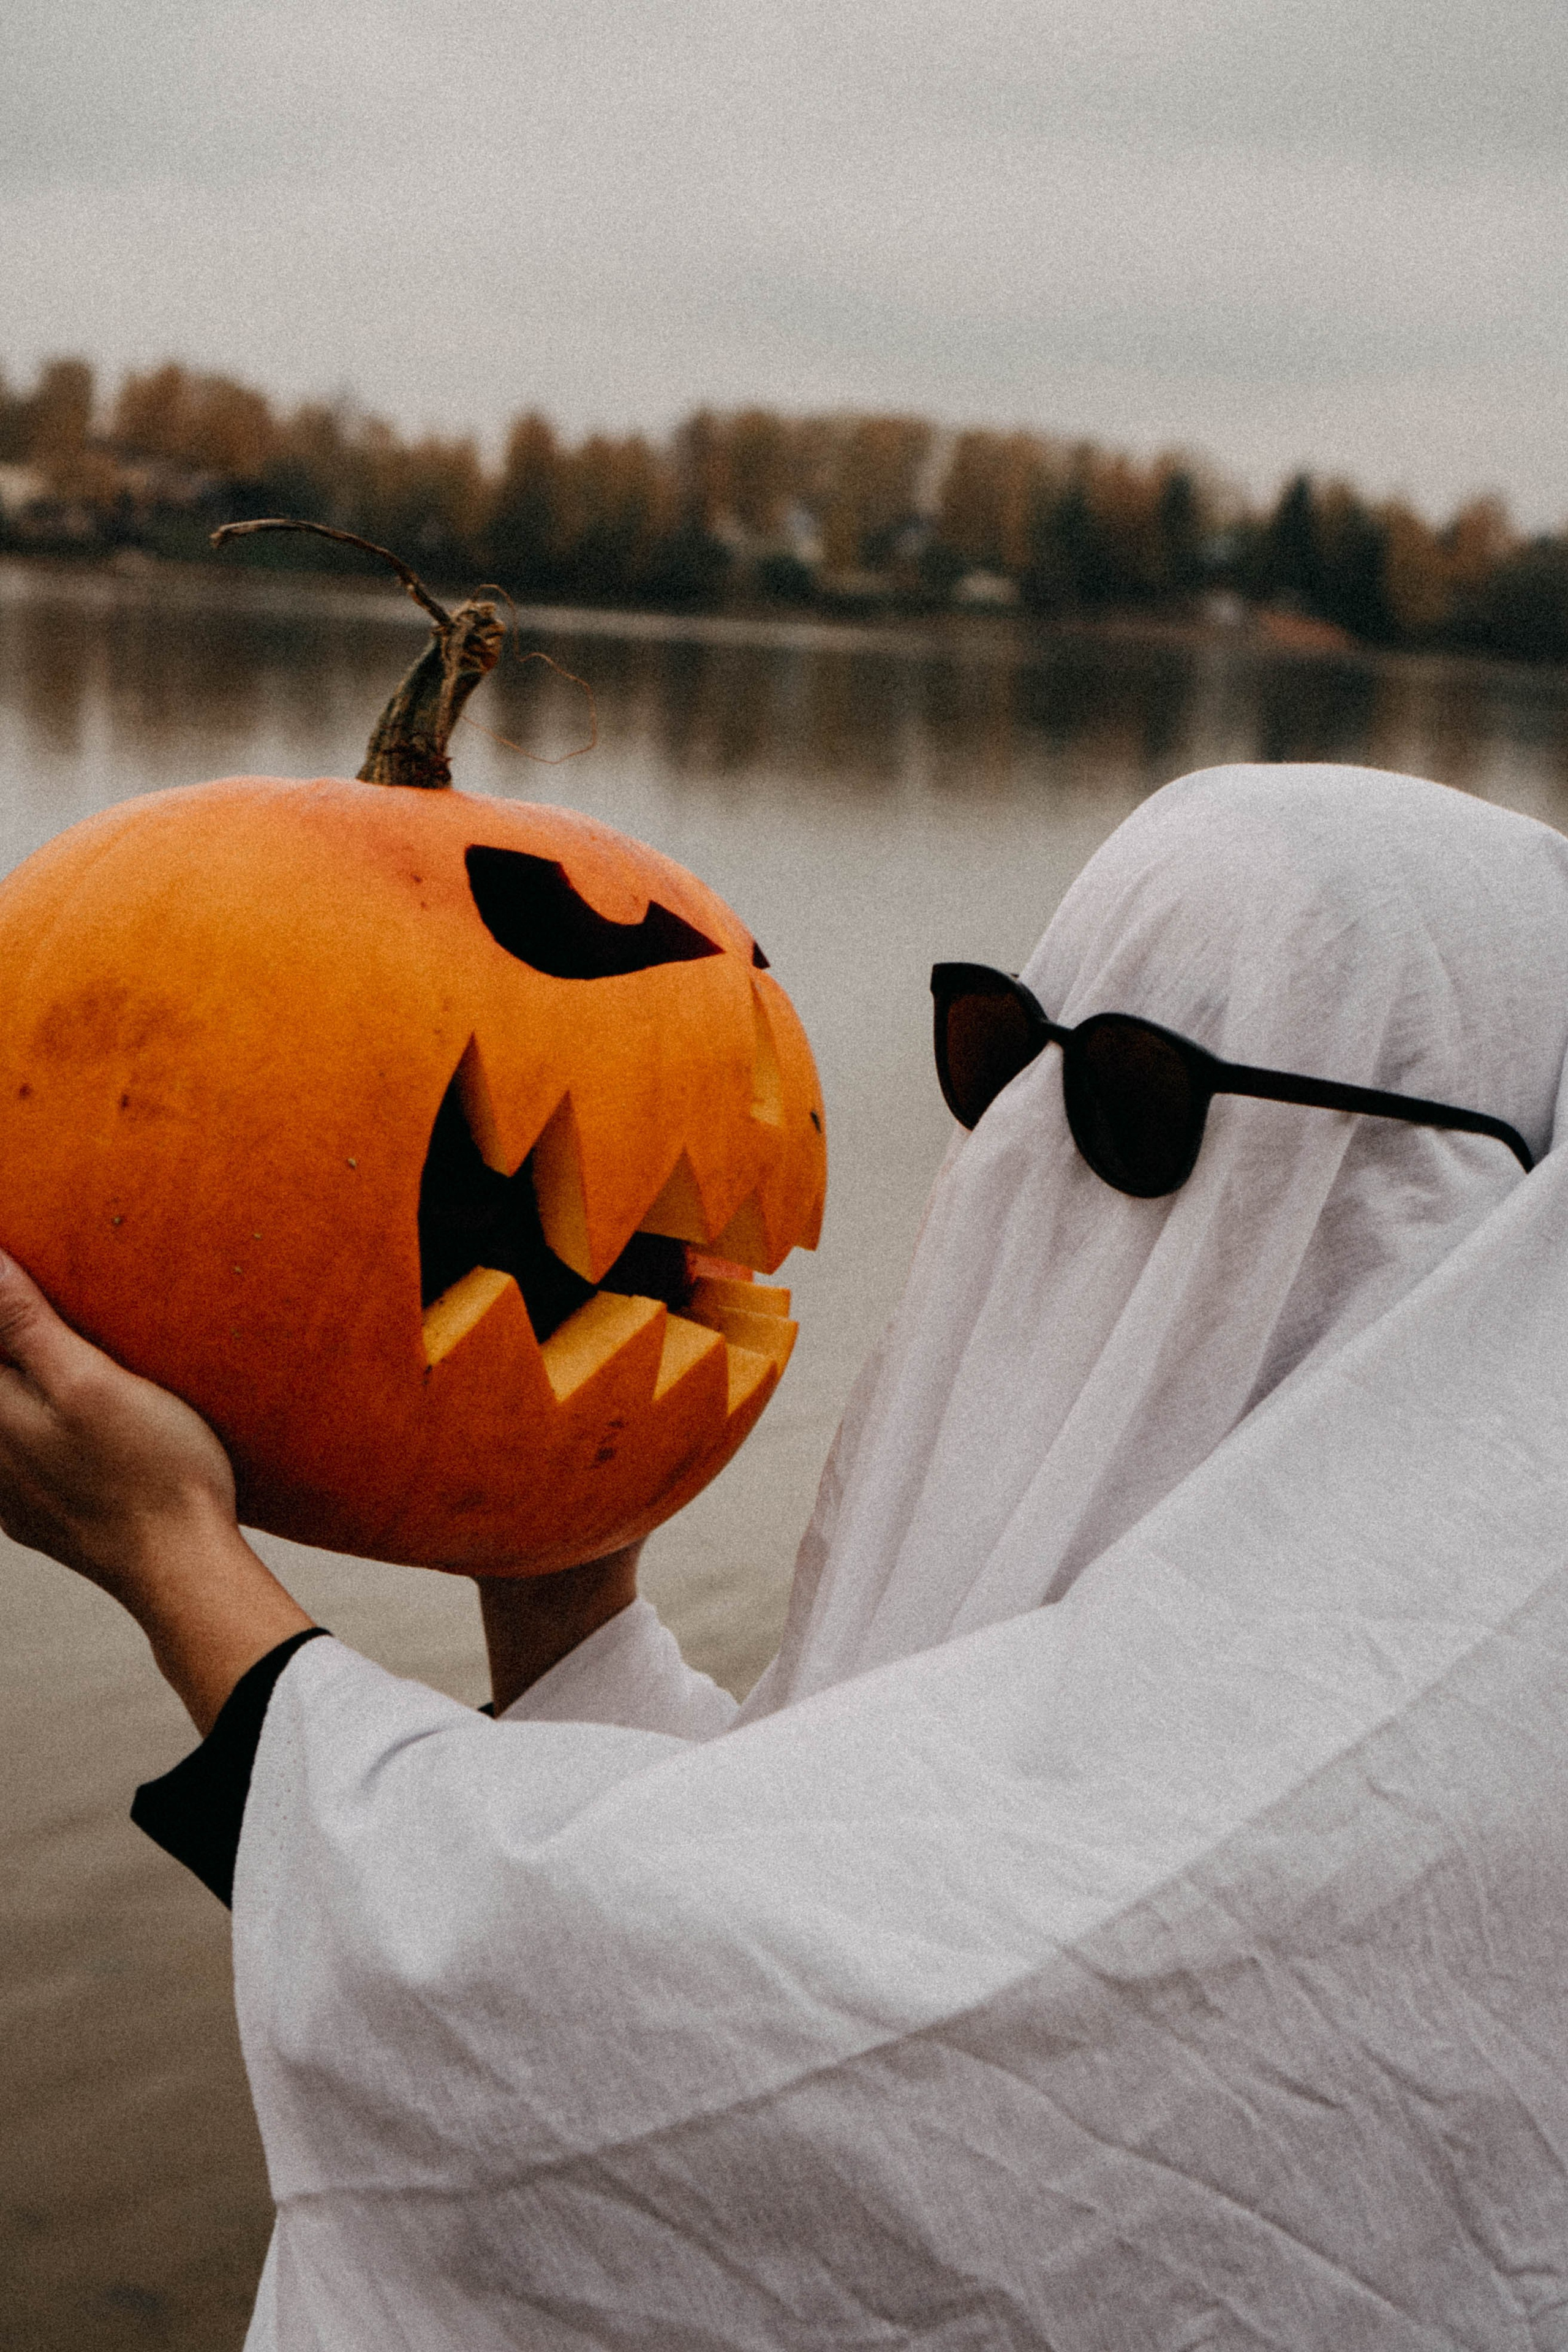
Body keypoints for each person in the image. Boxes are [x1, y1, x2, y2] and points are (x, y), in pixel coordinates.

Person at [4, 760, 1568, 2348]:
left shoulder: (1396, 1769)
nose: (1031, 1145)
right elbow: (825, 1857)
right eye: (996, 1049)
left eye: (1136, 1103)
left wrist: (171, 1556)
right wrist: (565, 1578)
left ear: (1465, 1201)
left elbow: (671, 2054)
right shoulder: (1244, 1637)